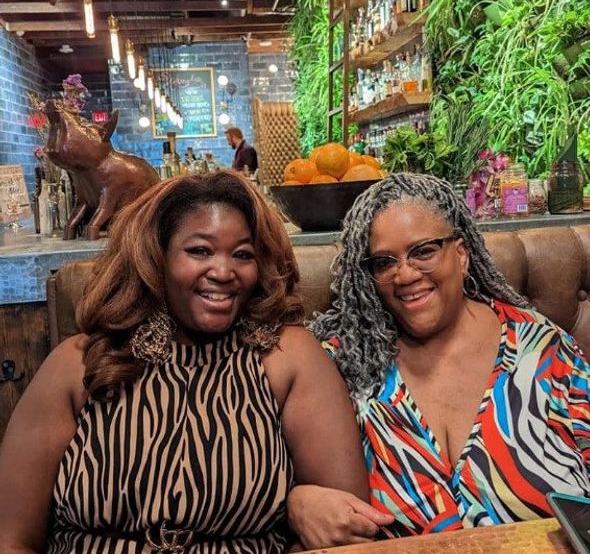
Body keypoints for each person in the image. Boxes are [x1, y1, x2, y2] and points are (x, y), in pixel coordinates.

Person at [0, 171, 381, 553]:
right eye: (200, 250)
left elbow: (345, 531)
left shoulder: (288, 358)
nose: (223, 271)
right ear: (156, 257)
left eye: (243, 255)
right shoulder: (79, 364)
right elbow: (11, 539)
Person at [288, 173, 590, 543]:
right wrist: (297, 502)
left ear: (461, 255)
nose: (405, 274)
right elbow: (266, 474)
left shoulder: (540, 347)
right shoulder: (344, 363)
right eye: (384, 262)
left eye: (424, 251)